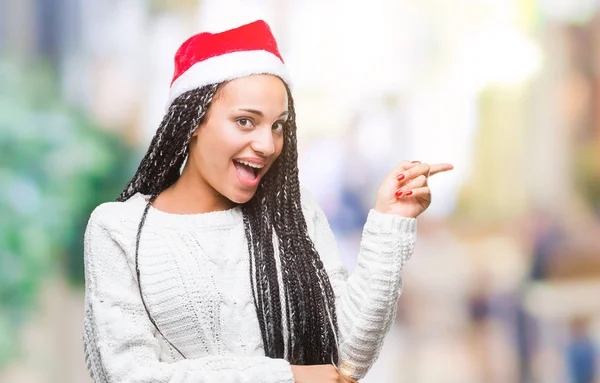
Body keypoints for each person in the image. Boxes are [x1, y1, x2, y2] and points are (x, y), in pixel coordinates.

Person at [82, 20, 453, 383]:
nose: (267, 144)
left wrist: (390, 223)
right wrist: (285, 376)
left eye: (278, 125)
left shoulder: (295, 214)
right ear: (192, 119)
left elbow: (347, 361)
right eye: (246, 121)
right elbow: (128, 375)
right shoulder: (118, 230)